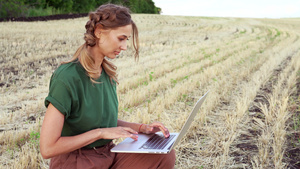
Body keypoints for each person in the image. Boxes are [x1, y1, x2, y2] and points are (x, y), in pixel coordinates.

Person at [39, 3, 176, 169]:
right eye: (121, 39)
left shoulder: (106, 73)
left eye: (126, 40)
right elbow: (48, 148)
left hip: (107, 155)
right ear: (98, 31)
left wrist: (142, 128)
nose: (124, 47)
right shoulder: (67, 77)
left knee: (163, 155)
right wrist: (100, 133)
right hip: (76, 162)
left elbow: (100, 120)